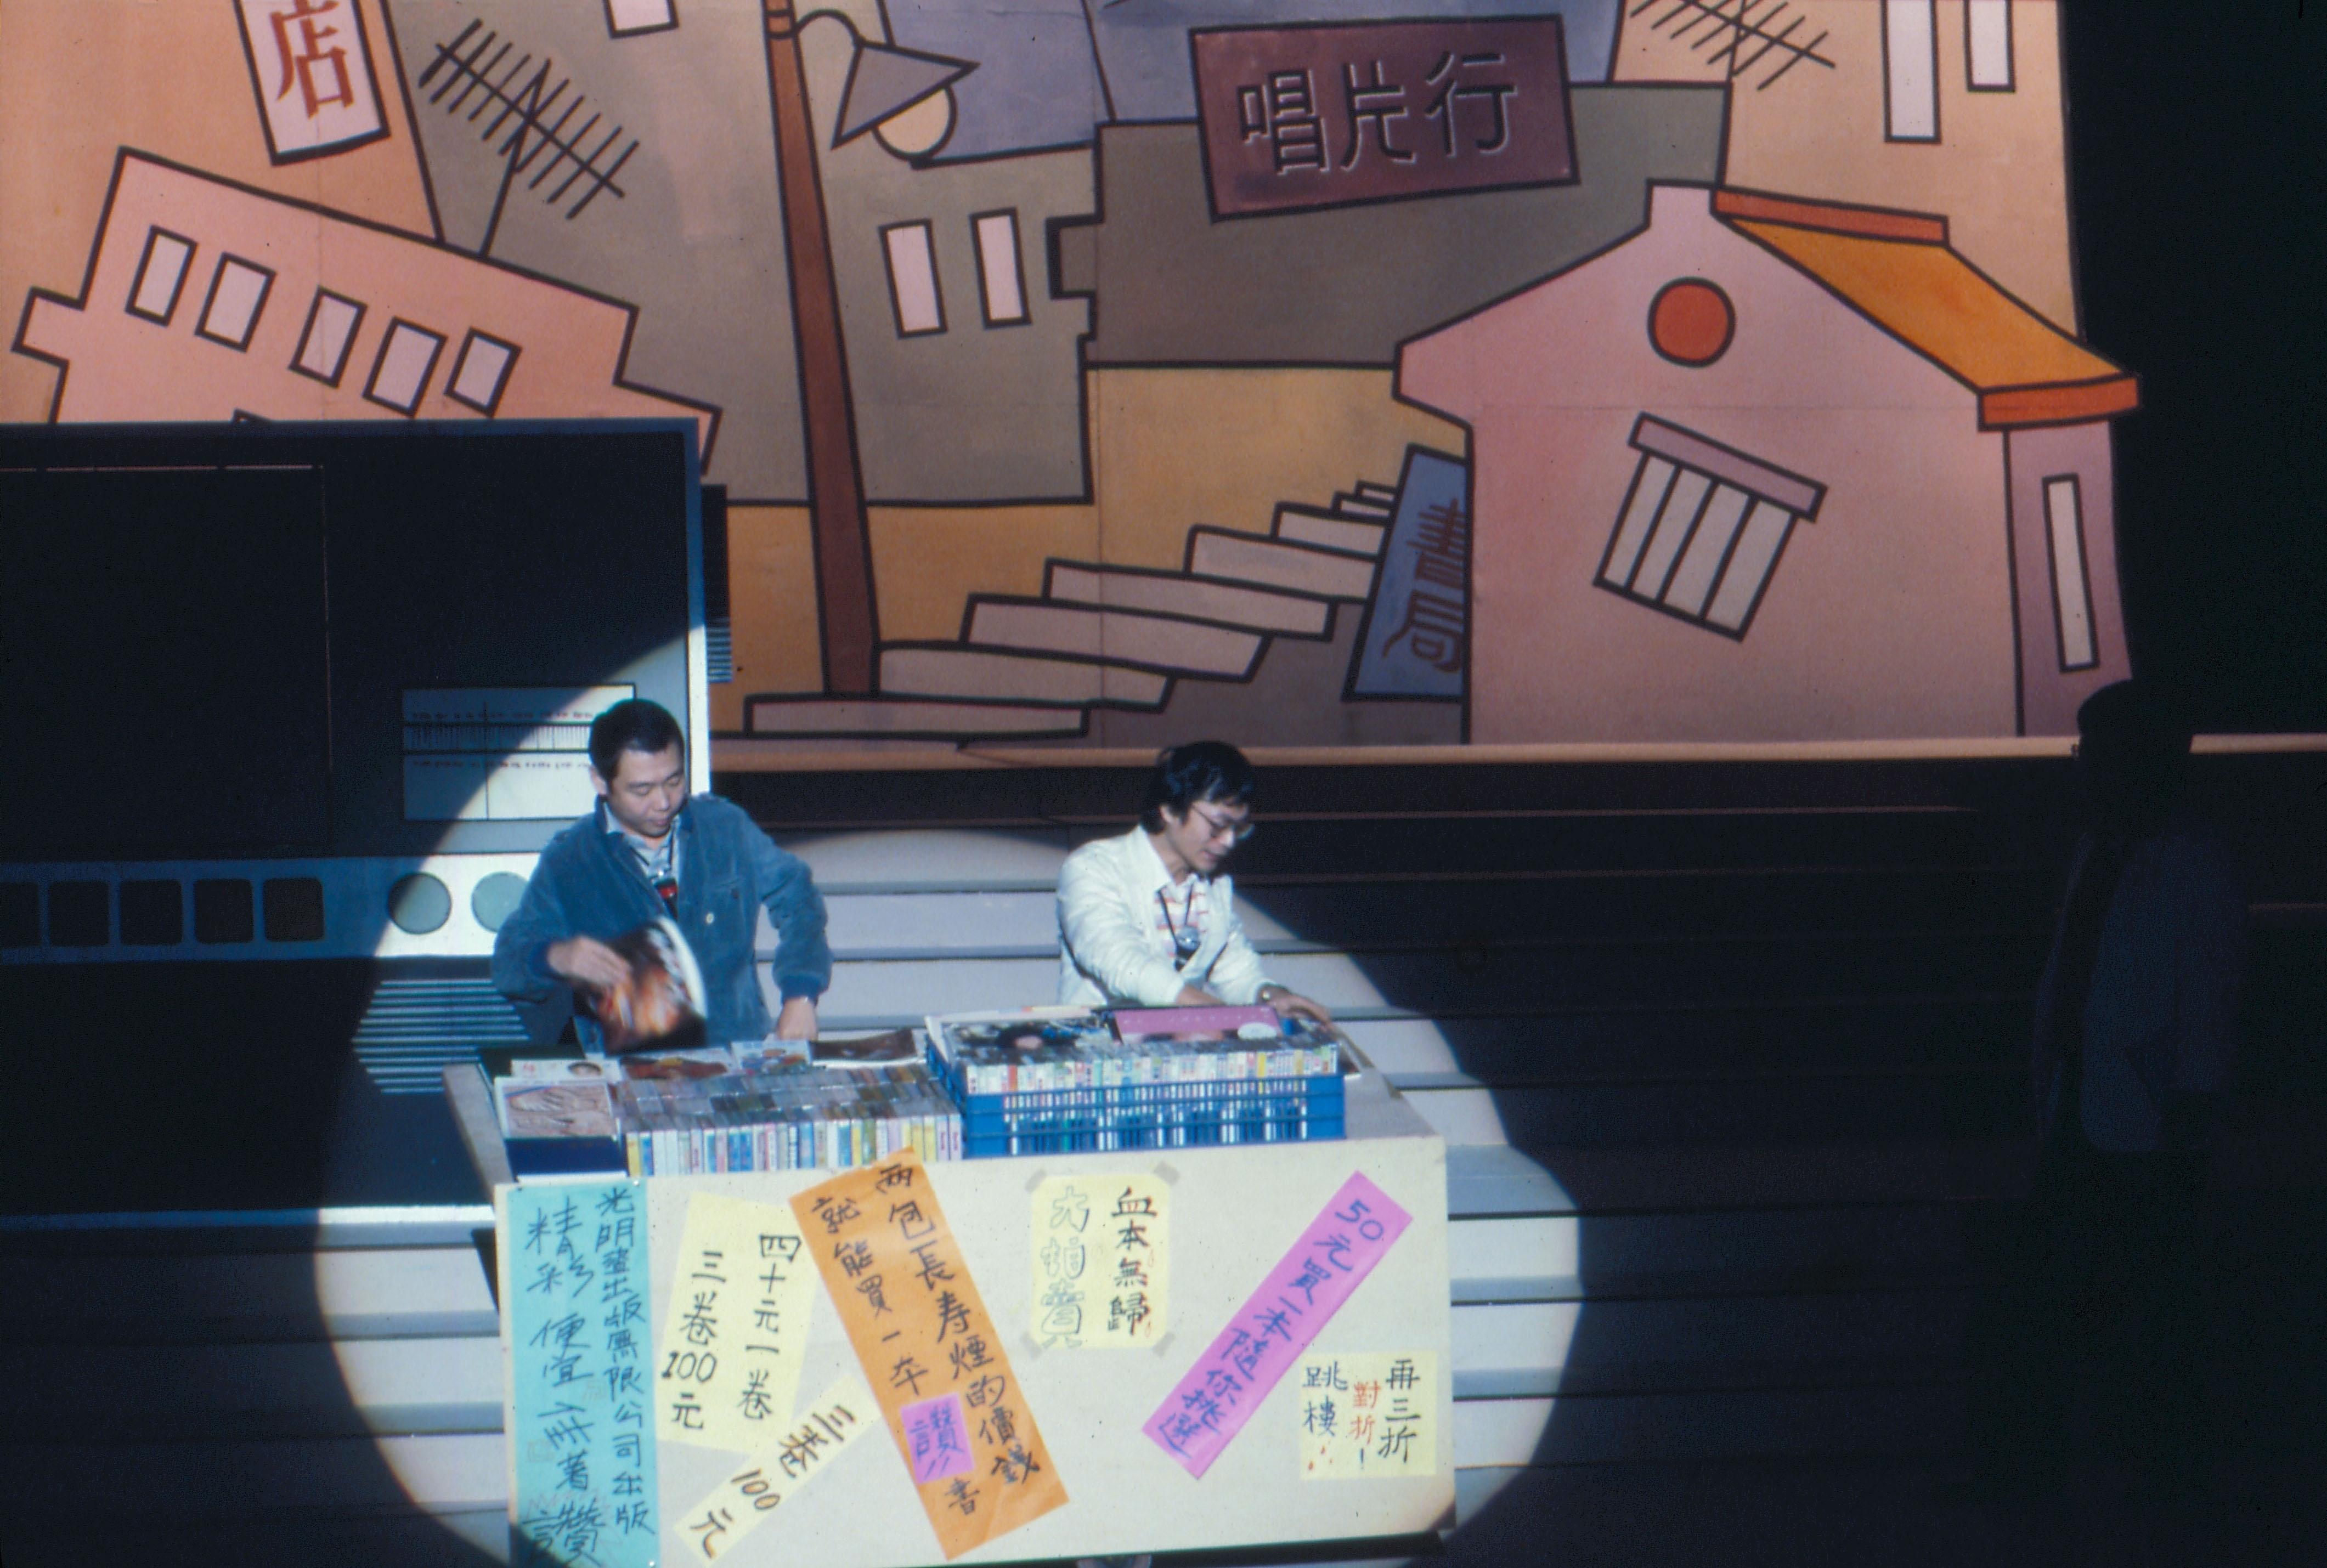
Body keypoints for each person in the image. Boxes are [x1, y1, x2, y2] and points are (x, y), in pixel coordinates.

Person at [1965, 680, 2245, 1507]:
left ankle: (2133, 1469)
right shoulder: (2105, 846)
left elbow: (2210, 990)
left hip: (2143, 1116)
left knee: (2140, 1300)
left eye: (2096, 752)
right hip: (2093, 1102)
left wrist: (2190, 1101)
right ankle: (2076, 1470)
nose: (2084, 766)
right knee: (2111, 1295)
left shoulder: (2190, 860)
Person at [493, 699, 830, 1049]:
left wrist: (801, 994)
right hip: (631, 1067)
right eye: (642, 790)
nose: (663, 803)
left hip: (733, 1053)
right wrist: (555, 957)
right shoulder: (568, 860)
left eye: (674, 781)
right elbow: (507, 964)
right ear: (600, 781)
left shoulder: (726, 828)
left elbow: (799, 897)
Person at [1057, 741, 1329, 1021]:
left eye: (1239, 829)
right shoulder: (1094, 866)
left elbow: (1235, 971)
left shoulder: (1213, 885)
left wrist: (1271, 997)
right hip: (1100, 1041)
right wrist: (1215, 1012)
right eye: (1218, 826)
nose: (1229, 841)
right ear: (1169, 809)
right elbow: (1120, 961)